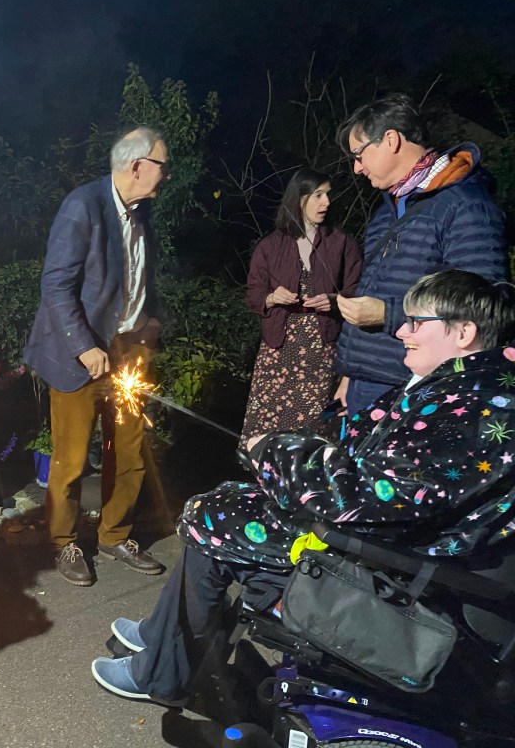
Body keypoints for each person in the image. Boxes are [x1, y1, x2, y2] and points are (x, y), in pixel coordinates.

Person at [91, 269, 515, 705]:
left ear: (464, 332)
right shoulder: (457, 388)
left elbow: (372, 498)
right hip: (378, 543)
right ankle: (165, 637)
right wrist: (283, 448)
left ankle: (164, 673)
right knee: (220, 504)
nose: (402, 331)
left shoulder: (475, 410)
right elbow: (356, 444)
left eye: (416, 322)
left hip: (388, 573)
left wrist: (276, 454)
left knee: (213, 518)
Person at [24, 127, 167, 587]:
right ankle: (63, 541)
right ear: (137, 165)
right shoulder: (83, 207)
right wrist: (84, 346)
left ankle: (114, 534)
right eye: (162, 164)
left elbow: (144, 279)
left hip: (128, 353)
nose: (167, 173)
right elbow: (55, 285)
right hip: (79, 354)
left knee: (129, 452)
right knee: (70, 459)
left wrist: (151, 323)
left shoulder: (142, 214)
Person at [333, 93, 507, 416]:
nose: (356, 169)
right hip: (365, 386)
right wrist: (350, 375)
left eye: (359, 154)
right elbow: (371, 290)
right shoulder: (386, 212)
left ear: (390, 140)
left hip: (418, 390)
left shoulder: (466, 206)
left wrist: (388, 315)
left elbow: (484, 307)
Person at [241, 167, 362, 444]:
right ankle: (267, 477)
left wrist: (334, 300)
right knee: (270, 424)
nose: (326, 203)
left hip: (322, 347)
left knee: (318, 422)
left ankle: (316, 477)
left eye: (328, 195)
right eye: (318, 195)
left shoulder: (342, 242)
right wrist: (272, 298)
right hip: (279, 348)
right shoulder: (271, 245)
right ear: (299, 198)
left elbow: (358, 289)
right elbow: (254, 293)